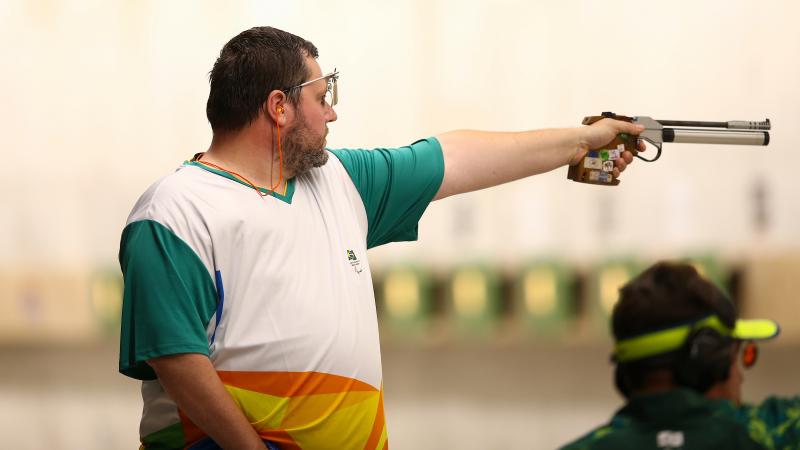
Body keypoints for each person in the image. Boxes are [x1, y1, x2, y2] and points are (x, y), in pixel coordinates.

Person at [118, 26, 644, 450]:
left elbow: (456, 157)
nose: (332, 114)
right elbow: (177, 356)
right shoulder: (175, 210)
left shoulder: (338, 180)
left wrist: (583, 141)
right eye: (321, 98)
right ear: (279, 107)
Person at [560, 262, 800, 450]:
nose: (740, 377)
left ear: (624, 374)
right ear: (708, 361)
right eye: (737, 357)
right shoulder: (769, 435)